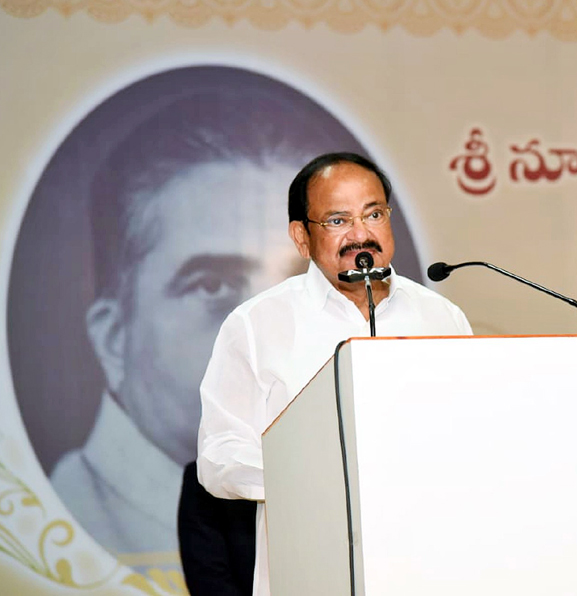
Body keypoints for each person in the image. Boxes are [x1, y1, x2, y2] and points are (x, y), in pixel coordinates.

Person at [47, 78, 381, 563]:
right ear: (113, 338)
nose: (266, 308)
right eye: (211, 284)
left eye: (293, 278)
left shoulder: (431, 314)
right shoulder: (73, 514)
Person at [197, 152, 472, 596]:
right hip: (312, 569)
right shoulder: (256, 325)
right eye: (337, 221)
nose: (360, 234)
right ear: (301, 237)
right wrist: (321, 478)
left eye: (374, 214)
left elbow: (469, 437)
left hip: (429, 565)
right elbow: (219, 457)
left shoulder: (441, 317)